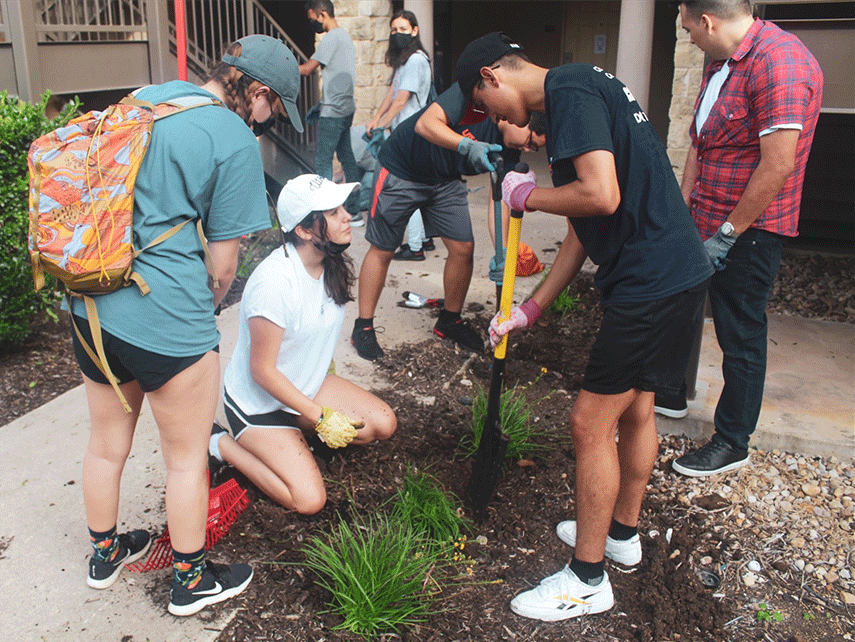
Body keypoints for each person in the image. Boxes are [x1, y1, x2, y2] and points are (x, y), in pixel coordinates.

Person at [421, 32, 713, 622]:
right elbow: (587, 222)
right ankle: (621, 536)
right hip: (673, 273)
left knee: (588, 421)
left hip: (651, 281)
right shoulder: (585, 90)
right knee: (637, 409)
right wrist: (531, 309)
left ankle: (585, 580)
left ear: (492, 77)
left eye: (488, 109)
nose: (501, 126)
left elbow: (599, 196)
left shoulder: (570, 89)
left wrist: (529, 195)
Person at [67, 35, 303, 616]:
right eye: (274, 108)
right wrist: (209, 305)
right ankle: (192, 581)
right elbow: (224, 263)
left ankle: (104, 554)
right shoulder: (232, 140)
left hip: (90, 304)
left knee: (104, 445)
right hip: (167, 317)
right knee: (185, 458)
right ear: (259, 92)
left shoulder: (142, 99)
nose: (269, 120)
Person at [665, 0, 823, 477]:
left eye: (689, 28)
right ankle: (673, 392)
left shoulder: (780, 61)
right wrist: (682, 207)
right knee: (682, 305)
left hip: (749, 232)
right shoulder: (721, 63)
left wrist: (728, 234)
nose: (689, 37)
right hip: (704, 218)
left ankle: (733, 441)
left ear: (707, 21)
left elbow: (777, 164)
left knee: (740, 335)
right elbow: (699, 141)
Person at [209, 174, 397, 513]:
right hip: (258, 404)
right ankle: (220, 443)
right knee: (309, 501)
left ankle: (296, 435)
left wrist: (320, 401)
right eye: (332, 212)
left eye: (342, 207)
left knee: (382, 424)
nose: (345, 216)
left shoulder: (330, 265)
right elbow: (262, 371)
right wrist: (321, 417)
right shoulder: (275, 283)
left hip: (304, 389)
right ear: (304, 230)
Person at [350, 83, 535, 361]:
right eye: (531, 139)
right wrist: (466, 145)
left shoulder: (510, 150)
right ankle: (362, 327)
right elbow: (426, 124)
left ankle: (449, 320)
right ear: (517, 117)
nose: (528, 148)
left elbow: (500, 201)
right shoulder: (474, 98)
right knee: (383, 249)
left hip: (444, 180)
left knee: (463, 249)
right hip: (402, 167)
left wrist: (504, 252)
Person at [365, 10, 435, 262]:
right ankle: (424, 239)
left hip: (411, 135)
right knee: (418, 185)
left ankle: (415, 246)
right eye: (394, 30)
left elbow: (402, 99)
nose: (397, 34)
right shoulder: (404, 61)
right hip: (406, 133)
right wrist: (376, 119)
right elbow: (392, 93)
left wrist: (383, 126)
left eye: (403, 29)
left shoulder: (416, 60)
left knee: (408, 189)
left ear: (415, 31)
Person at [299, 0, 361, 223]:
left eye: (312, 18)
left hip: (333, 111)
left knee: (323, 160)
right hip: (346, 109)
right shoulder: (344, 36)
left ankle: (326, 211)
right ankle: (354, 210)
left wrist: (282, 67)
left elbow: (307, 69)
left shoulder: (331, 37)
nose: (311, 23)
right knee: (347, 157)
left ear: (322, 14)